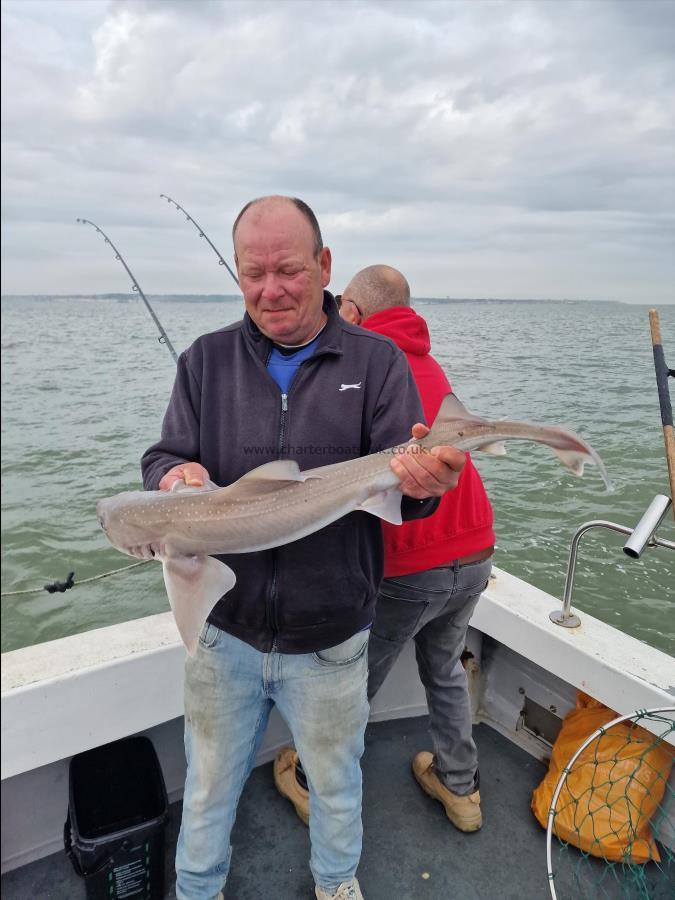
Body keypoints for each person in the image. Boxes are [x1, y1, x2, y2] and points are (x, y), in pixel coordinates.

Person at [141, 199, 466, 900]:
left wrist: (425, 482)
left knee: (336, 783)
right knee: (203, 790)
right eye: (253, 273)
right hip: (223, 636)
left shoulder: (377, 362)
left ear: (323, 266)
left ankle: (335, 883)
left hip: (331, 636)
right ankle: (197, 891)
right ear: (237, 275)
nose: (271, 289)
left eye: (287, 269)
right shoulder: (205, 361)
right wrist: (174, 476)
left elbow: (407, 492)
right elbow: (164, 452)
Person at [274, 265, 494, 834]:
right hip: (474, 550)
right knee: (444, 668)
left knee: (353, 685)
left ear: (351, 310)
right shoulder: (432, 367)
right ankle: (460, 788)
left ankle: (309, 786)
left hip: (411, 559)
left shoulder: (362, 369)